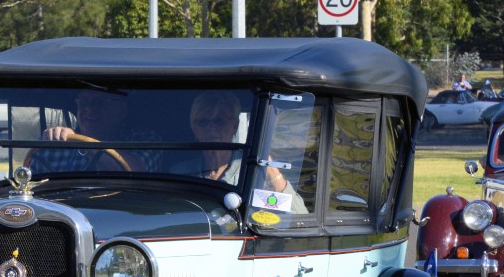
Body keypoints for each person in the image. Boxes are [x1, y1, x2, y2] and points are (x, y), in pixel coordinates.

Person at [170, 92, 307, 213]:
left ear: (234, 126)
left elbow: (299, 216)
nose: (212, 128)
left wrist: (270, 170)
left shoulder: (254, 170)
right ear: (194, 128)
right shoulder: (180, 172)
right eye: (203, 122)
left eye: (219, 121)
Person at [23, 89, 162, 173]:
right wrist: (51, 138)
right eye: (83, 103)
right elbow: (32, 190)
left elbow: (136, 172)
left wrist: (87, 145)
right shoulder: (57, 146)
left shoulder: (142, 138)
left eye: (100, 103)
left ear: (122, 110)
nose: (89, 109)